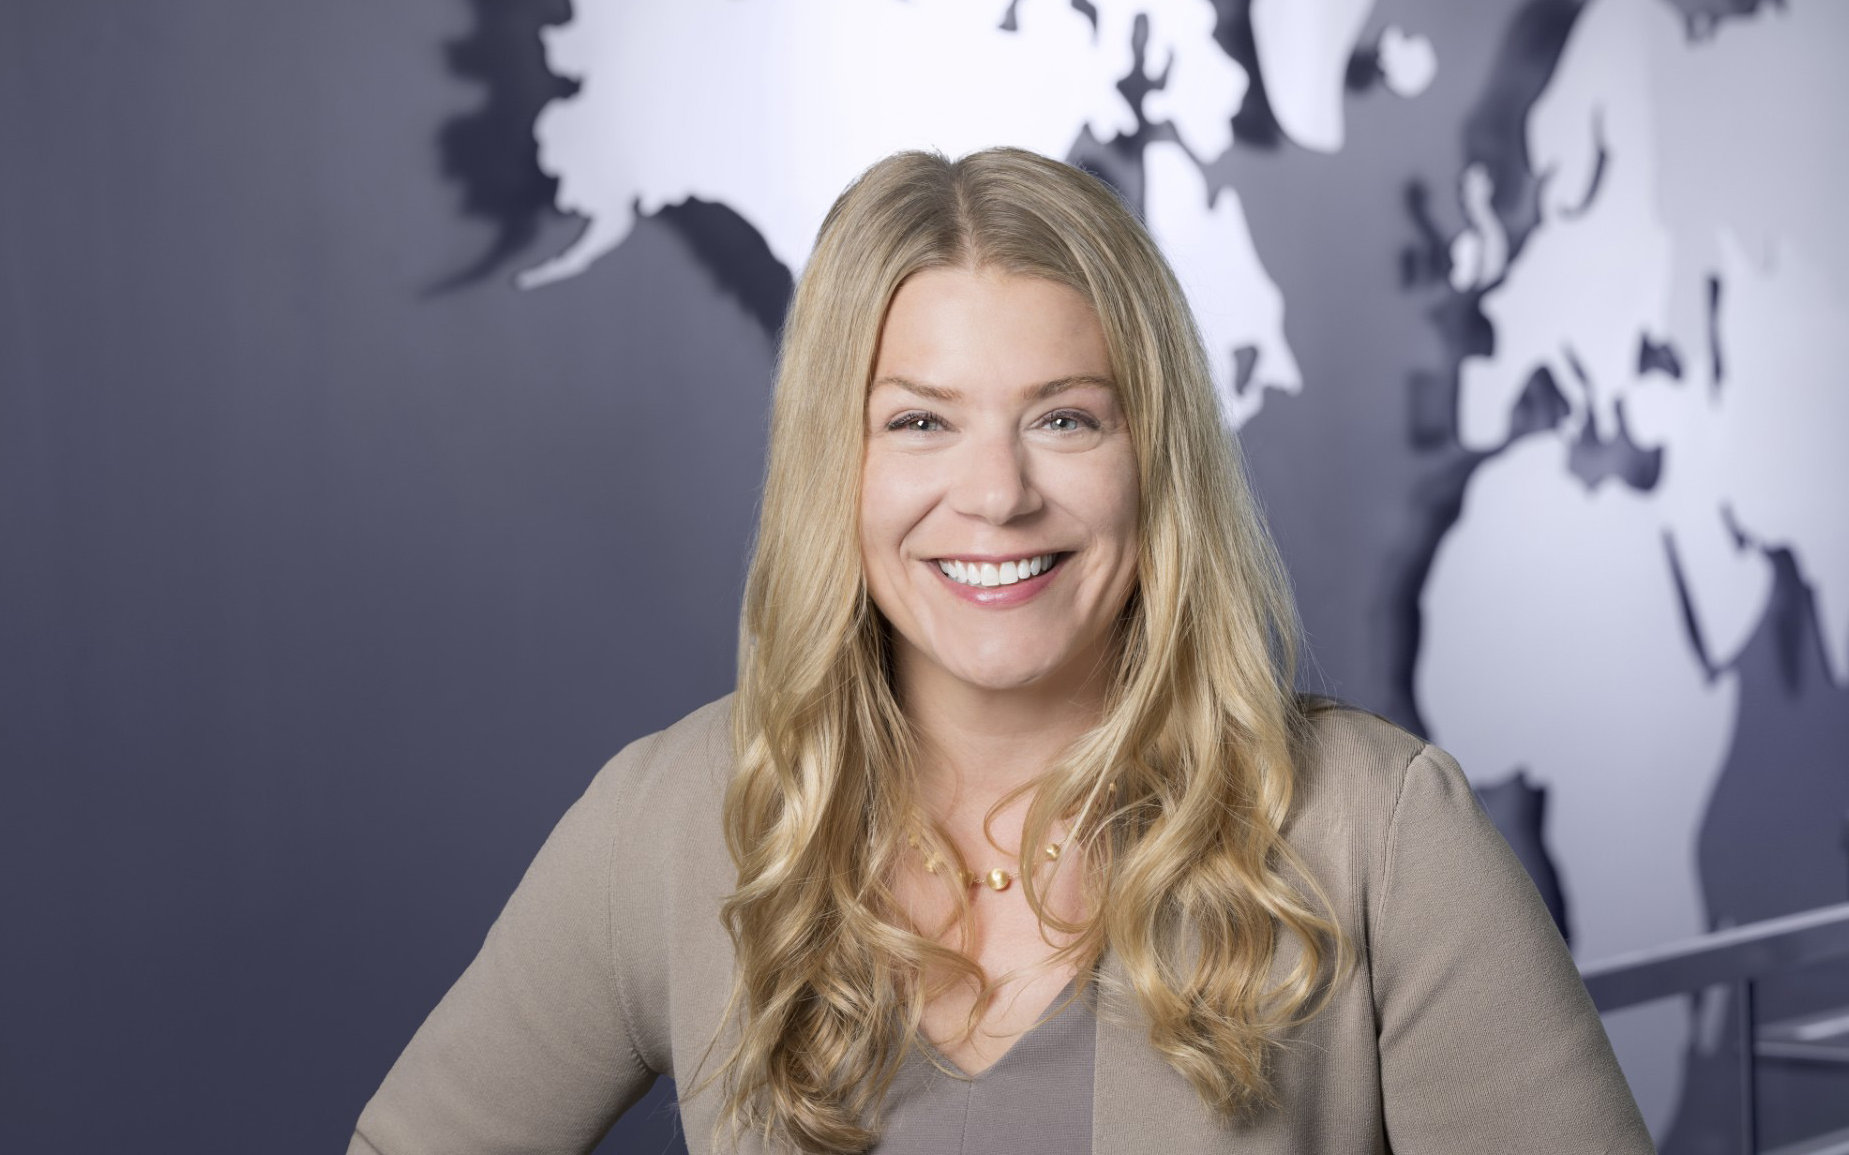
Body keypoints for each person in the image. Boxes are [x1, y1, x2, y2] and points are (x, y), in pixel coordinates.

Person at [348, 147, 1652, 1154]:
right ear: (835, 467)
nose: (996, 495)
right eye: (919, 423)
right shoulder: (679, 818)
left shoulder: (1376, 832)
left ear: (1154, 461)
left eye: (1066, 420)